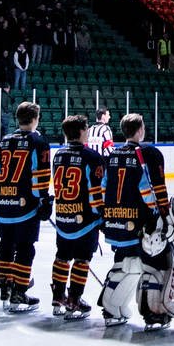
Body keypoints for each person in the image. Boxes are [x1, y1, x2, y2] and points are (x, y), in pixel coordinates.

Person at [96, 112, 174, 328]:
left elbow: (103, 188)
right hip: (140, 222)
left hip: (115, 219)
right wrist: (161, 215)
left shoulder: (112, 154)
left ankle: (112, 309)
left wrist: (108, 213)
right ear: (140, 130)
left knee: (125, 262)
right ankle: (154, 314)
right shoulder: (147, 153)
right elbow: (150, 189)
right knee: (155, 265)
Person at [0, 100, 50, 313]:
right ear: (35, 119)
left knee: (5, 244)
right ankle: (19, 290)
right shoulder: (38, 141)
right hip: (26, 206)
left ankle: (5, 287)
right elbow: (40, 174)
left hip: (4, 202)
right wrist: (43, 199)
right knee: (25, 248)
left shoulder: (5, 140)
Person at [48, 114, 106, 319]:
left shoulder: (59, 154)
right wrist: (102, 215)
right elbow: (95, 191)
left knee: (62, 256)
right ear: (83, 131)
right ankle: (74, 299)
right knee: (82, 259)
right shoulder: (92, 156)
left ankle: (57, 297)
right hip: (86, 219)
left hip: (63, 215)